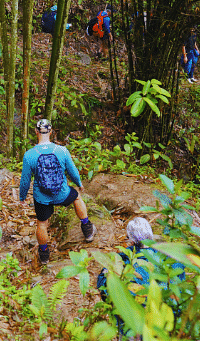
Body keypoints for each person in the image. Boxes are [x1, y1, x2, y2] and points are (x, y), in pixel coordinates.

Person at [19, 118, 95, 265]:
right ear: (51, 131)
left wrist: (22, 197)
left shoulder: (29, 155)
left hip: (42, 197)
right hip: (62, 193)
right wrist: (79, 183)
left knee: (42, 223)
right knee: (77, 197)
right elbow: (72, 171)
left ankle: (44, 255)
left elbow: (25, 180)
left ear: (36, 132)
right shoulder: (61, 150)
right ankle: (88, 230)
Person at [96, 217, 186, 338]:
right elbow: (180, 291)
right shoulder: (170, 259)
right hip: (164, 324)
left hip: (133, 325)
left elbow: (104, 286)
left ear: (131, 240)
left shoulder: (123, 260)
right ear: (151, 235)